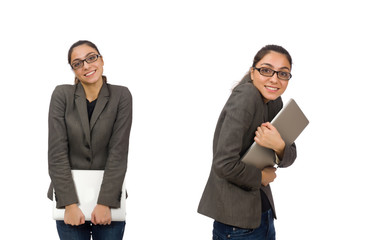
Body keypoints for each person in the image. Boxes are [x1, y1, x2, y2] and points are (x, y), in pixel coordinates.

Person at [197, 45, 297, 240]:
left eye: (283, 74)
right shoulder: (246, 97)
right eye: (266, 70)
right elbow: (223, 164)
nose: (274, 79)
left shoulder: (275, 101)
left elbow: (291, 155)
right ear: (253, 72)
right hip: (238, 225)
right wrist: (260, 176)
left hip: (262, 215)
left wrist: (279, 145)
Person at [47, 40, 132, 240]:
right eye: (77, 63)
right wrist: (69, 204)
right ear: (73, 69)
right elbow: (56, 153)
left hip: (108, 201)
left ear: (101, 60)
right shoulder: (62, 95)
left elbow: (118, 152)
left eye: (91, 58)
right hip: (69, 200)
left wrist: (105, 203)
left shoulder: (121, 95)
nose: (86, 65)